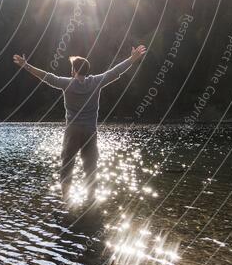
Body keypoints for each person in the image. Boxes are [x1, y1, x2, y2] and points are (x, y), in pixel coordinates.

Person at [12, 46, 146, 204]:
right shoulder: (95, 81)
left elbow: (45, 76)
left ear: (74, 70)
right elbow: (115, 71)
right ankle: (91, 199)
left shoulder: (67, 83)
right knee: (90, 166)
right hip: (90, 130)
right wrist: (132, 59)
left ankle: (66, 199)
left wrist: (25, 65)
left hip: (73, 131)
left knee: (67, 164)